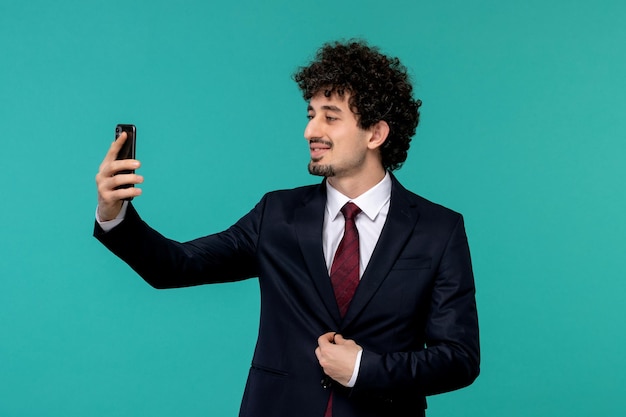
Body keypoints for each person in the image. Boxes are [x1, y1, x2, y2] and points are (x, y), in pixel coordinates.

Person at [94, 40, 480, 417]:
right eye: (310, 115)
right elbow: (175, 266)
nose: (310, 131)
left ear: (375, 134)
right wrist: (115, 213)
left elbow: (459, 358)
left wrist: (366, 369)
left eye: (330, 116)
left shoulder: (438, 230)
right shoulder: (276, 214)